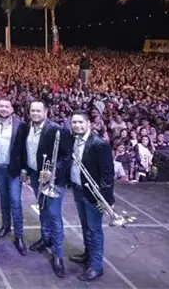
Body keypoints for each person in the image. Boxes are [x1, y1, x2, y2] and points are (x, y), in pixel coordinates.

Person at [23, 100, 72, 278]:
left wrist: (52, 172)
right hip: (36, 175)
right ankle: (45, 239)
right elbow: (27, 151)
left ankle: (58, 255)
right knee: (43, 209)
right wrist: (26, 170)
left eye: (38, 110)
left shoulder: (57, 129)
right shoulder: (28, 127)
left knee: (54, 215)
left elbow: (67, 156)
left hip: (53, 178)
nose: (35, 113)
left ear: (46, 112)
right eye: (32, 110)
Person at [69, 110, 114, 282]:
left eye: (80, 122)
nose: (77, 125)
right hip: (78, 188)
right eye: (74, 122)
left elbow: (108, 175)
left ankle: (96, 266)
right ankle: (88, 255)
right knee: (85, 226)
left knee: (94, 229)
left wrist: (104, 199)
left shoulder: (99, 144)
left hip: (93, 194)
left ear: (89, 124)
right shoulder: (74, 140)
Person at [0, 98, 28, 255]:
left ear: (12, 109)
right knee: (4, 199)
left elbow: (25, 148)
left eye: (7, 106)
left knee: (15, 201)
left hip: (14, 170)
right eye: (1, 106)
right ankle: (5, 226)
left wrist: (24, 169)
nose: (4, 109)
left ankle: (19, 236)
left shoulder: (21, 125)